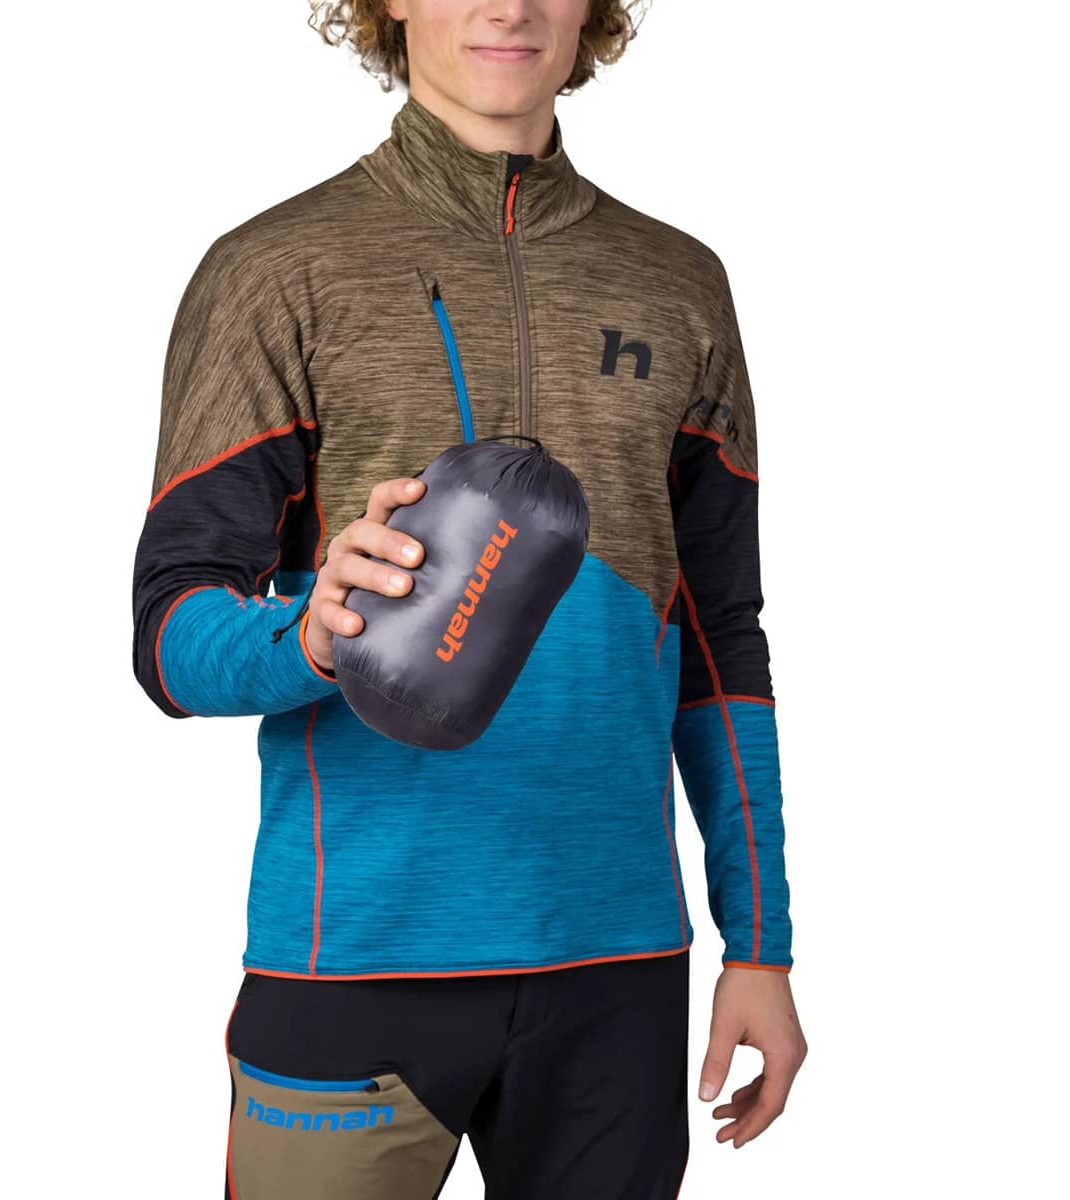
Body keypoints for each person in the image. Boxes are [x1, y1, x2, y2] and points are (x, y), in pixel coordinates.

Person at [130, 1, 807, 1195]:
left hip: (617, 969)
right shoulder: (274, 270)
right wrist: (309, 638)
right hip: (352, 959)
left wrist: (760, 945)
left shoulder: (678, 282)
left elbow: (720, 642)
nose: (509, 5)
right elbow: (170, 632)